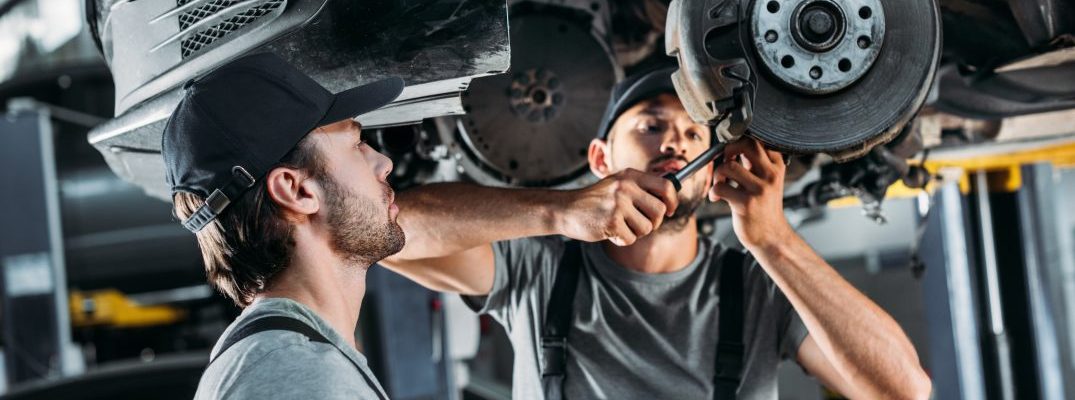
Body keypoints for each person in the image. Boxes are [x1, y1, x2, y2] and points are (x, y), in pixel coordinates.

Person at [380, 67, 931, 399]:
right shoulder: (538, 271)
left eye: (694, 135)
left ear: (711, 171)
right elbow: (386, 229)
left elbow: (903, 390)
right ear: (601, 158)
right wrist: (558, 211)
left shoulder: (760, 291)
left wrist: (773, 239)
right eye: (651, 125)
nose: (674, 143)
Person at [162, 52, 406, 399]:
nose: (384, 163)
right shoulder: (301, 375)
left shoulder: (280, 360)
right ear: (296, 191)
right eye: (356, 145)